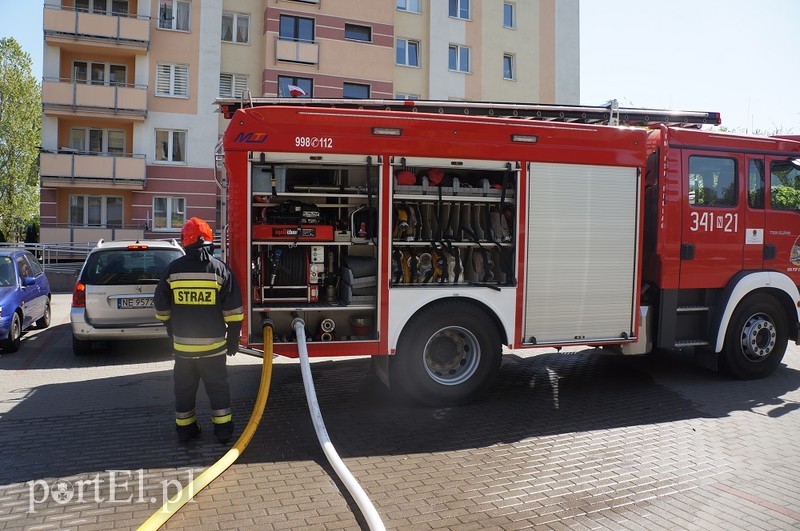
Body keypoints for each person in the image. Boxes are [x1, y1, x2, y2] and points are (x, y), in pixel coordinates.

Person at [154, 217, 244, 443]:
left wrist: (168, 326)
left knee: (184, 390)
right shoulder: (220, 270)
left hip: (183, 350)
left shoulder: (172, 270)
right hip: (214, 349)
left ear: (186, 242)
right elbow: (233, 309)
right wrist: (233, 338)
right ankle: (223, 432)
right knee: (218, 389)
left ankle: (185, 430)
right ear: (209, 242)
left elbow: (161, 305)